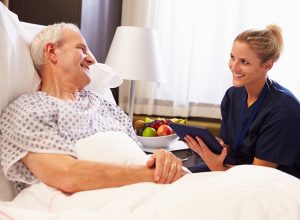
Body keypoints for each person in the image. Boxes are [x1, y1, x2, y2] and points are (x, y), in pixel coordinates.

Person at [0, 23, 185, 193]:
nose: (92, 60)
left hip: (151, 190)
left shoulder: (107, 107)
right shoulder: (27, 109)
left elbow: (137, 159)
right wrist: (153, 175)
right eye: (81, 49)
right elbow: (66, 176)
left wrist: (163, 162)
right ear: (52, 52)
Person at [185, 24, 300, 178]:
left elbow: (256, 179)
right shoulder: (233, 96)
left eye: (244, 62)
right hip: (232, 172)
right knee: (177, 176)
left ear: (268, 65)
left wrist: (214, 163)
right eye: (232, 57)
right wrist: (217, 148)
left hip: (270, 187)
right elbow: (231, 150)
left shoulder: (284, 110)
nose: (234, 67)